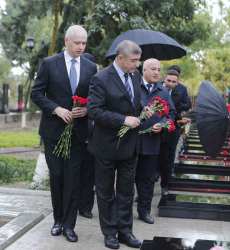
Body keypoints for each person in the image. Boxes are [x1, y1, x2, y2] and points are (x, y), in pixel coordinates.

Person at [30, 25, 97, 242]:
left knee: (72, 179)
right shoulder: (49, 63)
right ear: (66, 41)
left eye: (84, 43)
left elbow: (97, 98)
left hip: (78, 133)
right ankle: (57, 220)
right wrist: (56, 109)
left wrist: (87, 110)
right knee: (57, 176)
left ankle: (69, 225)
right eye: (77, 43)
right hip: (52, 132)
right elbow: (36, 93)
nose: (81, 47)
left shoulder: (90, 67)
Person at [87, 40, 153, 249]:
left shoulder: (134, 76)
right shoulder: (100, 78)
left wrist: (142, 109)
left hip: (129, 145)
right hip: (106, 145)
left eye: (138, 61)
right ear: (120, 58)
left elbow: (131, 100)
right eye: (134, 61)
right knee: (106, 192)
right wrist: (123, 119)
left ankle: (125, 232)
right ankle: (109, 233)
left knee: (126, 192)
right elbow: (94, 110)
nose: (137, 65)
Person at [135, 59, 176, 224]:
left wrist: (163, 125)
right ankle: (121, 212)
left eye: (159, 70)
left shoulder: (162, 91)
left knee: (148, 178)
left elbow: (171, 114)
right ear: (144, 70)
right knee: (129, 177)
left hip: (152, 142)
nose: (156, 73)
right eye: (153, 69)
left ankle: (144, 211)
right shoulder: (133, 85)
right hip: (133, 140)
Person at [158, 69, 190, 196]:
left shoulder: (178, 93)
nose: (170, 83)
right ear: (164, 79)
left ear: (177, 83)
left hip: (172, 127)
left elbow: (176, 111)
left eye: (173, 82)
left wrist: (180, 120)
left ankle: (165, 184)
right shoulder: (158, 89)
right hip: (156, 125)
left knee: (169, 156)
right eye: (168, 81)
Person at [78, 52, 99, 219]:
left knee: (89, 176)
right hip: (76, 137)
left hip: (93, 139)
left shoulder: (99, 85)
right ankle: (73, 204)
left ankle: (86, 207)